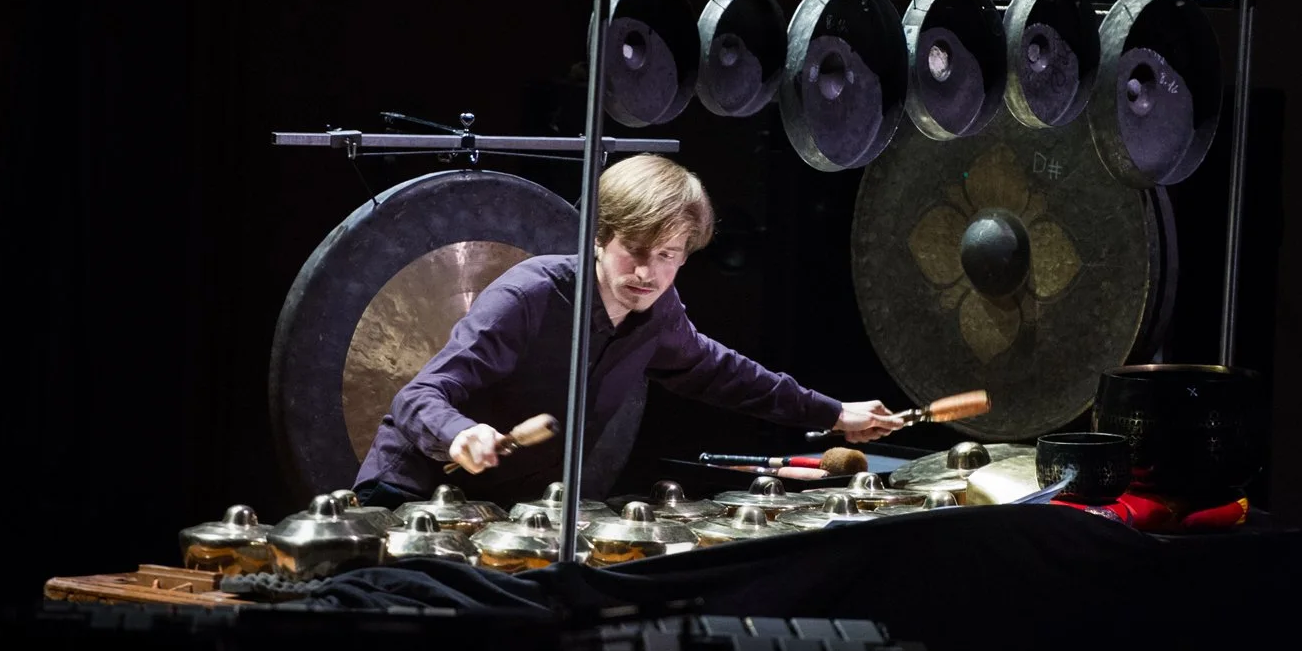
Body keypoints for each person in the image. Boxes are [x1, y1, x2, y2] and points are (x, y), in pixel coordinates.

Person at [353, 154, 902, 506]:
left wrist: (833, 413)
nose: (646, 273)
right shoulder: (530, 295)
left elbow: (726, 374)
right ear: (599, 236)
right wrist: (459, 432)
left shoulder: (658, 314)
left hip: (503, 503)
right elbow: (419, 395)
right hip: (412, 488)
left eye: (666, 255)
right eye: (634, 251)